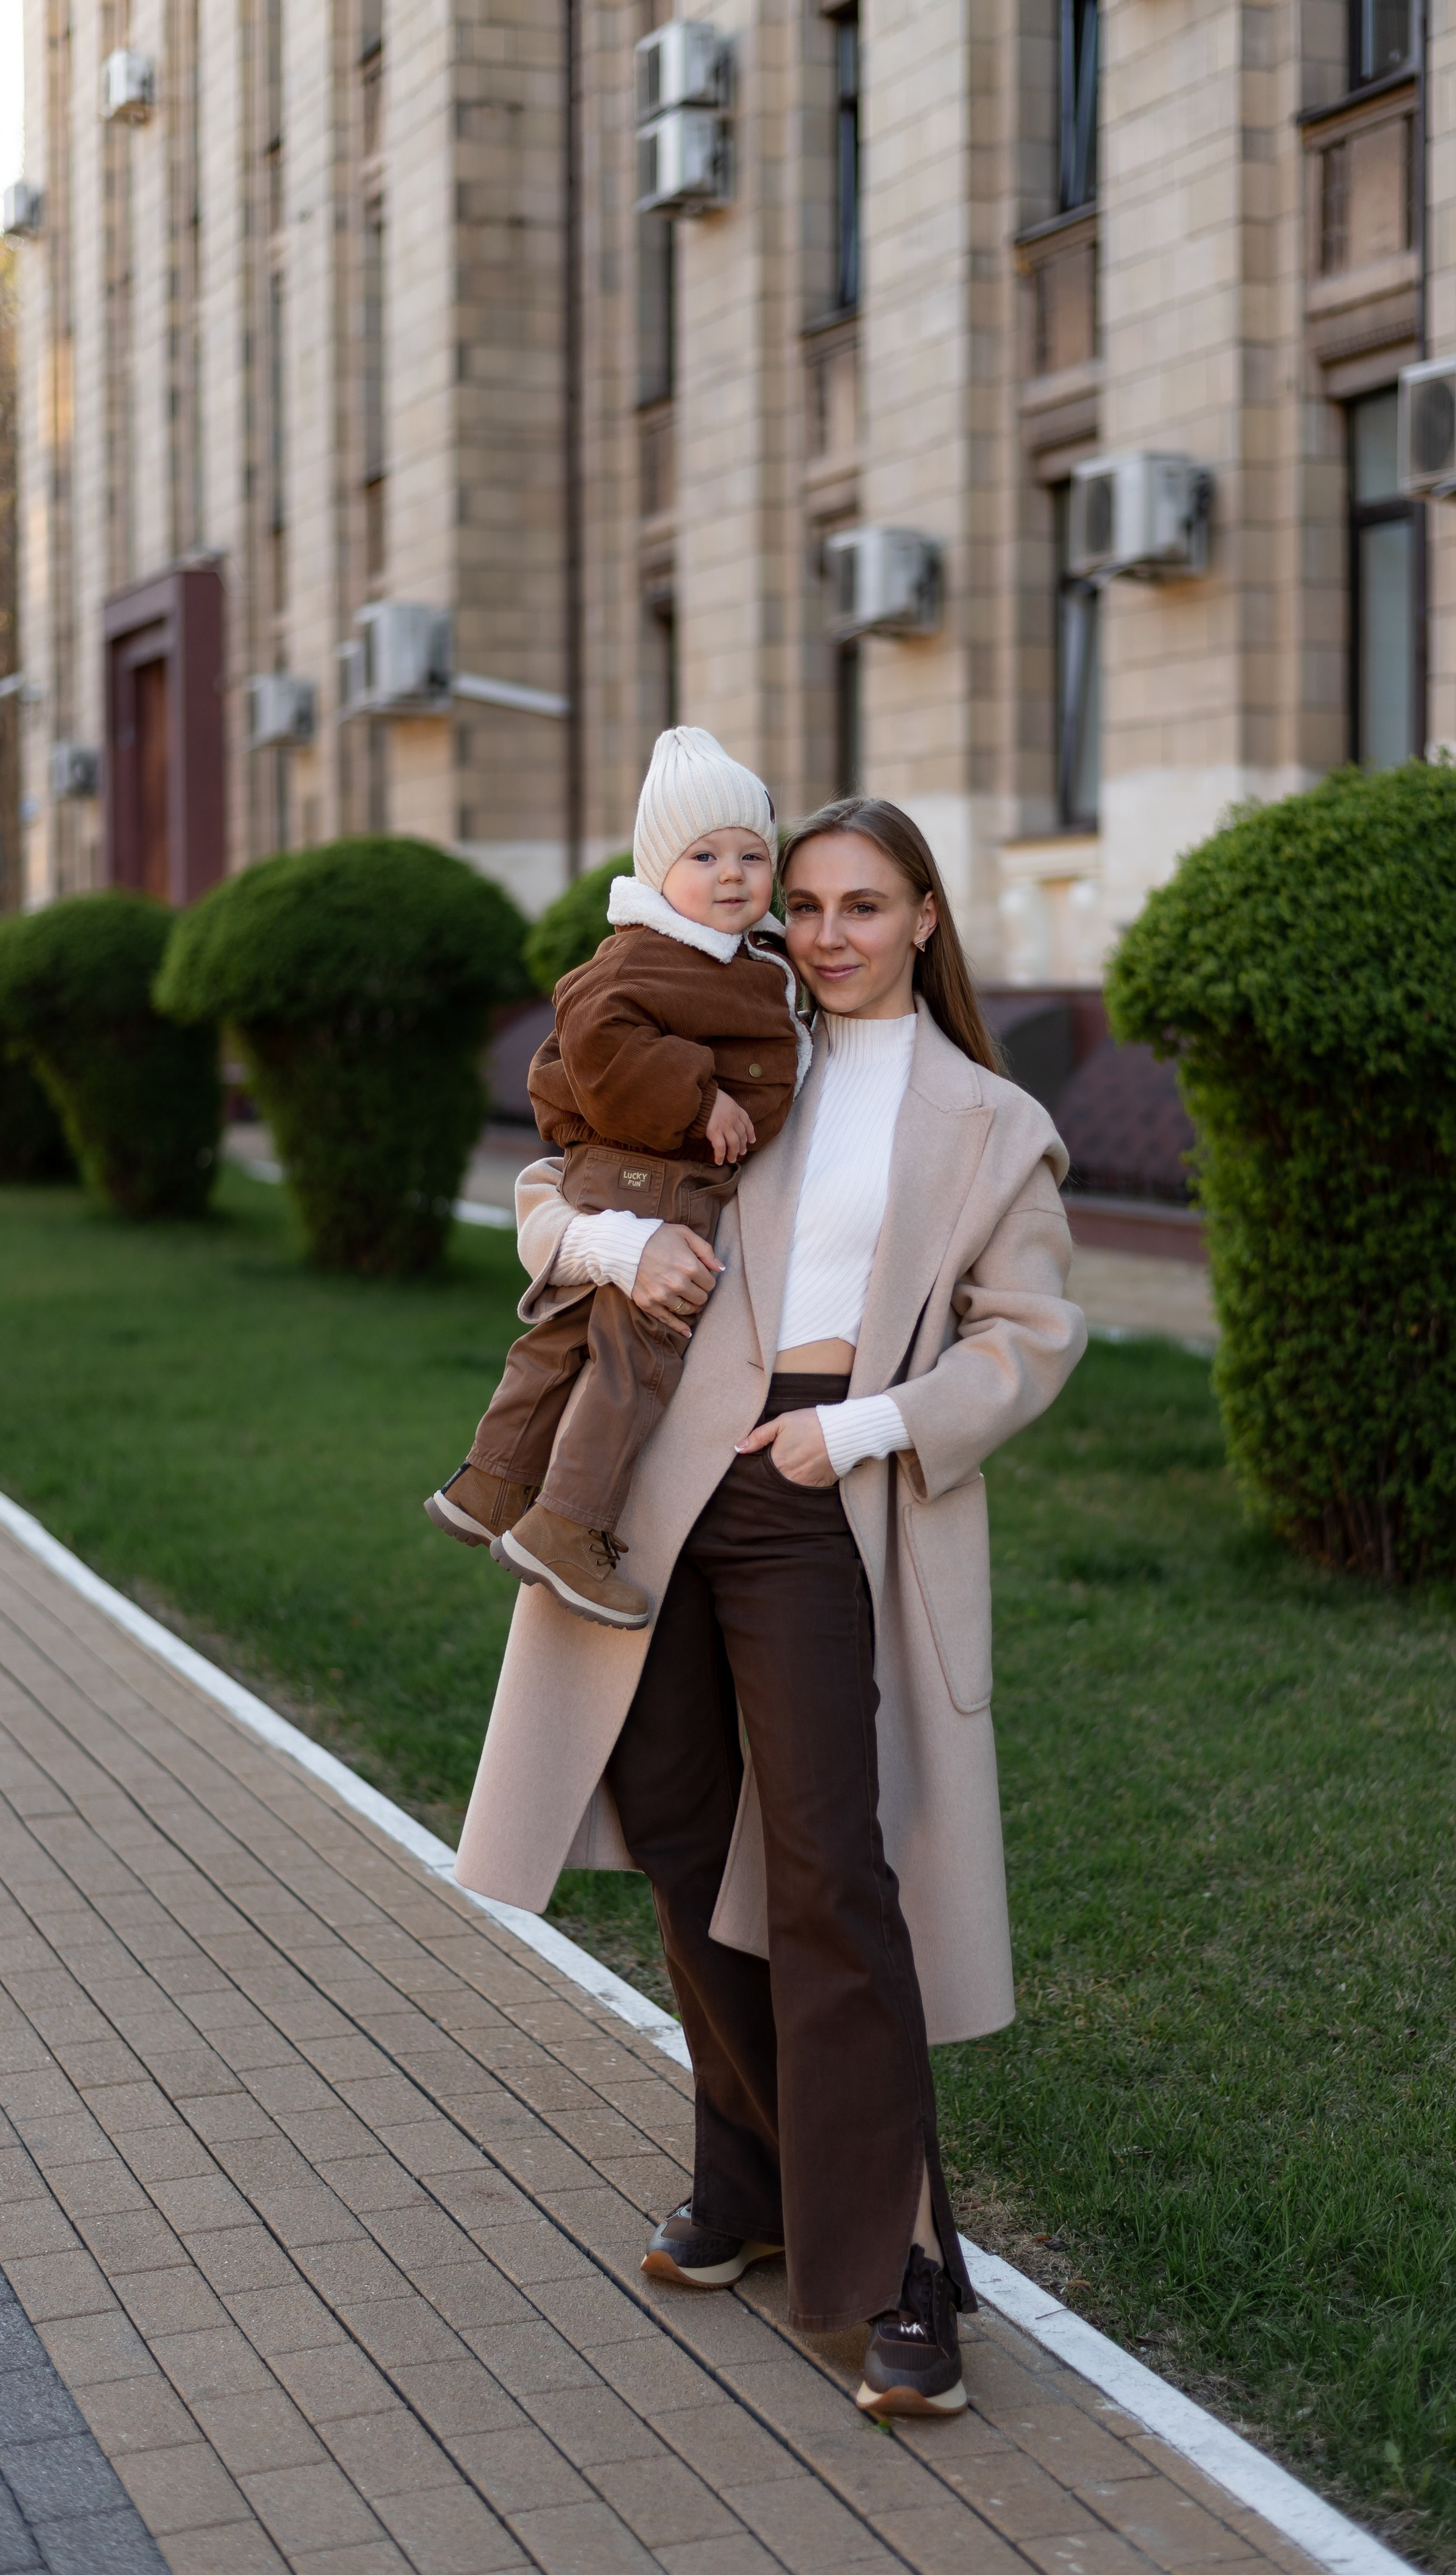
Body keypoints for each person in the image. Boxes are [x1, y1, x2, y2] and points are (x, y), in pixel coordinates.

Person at [455, 795, 1086, 2419]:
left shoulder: (987, 1119)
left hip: (823, 1498)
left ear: (926, 919)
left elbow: (1029, 1336)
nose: (825, 936)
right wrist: (603, 1243)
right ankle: (745, 2182)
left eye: (864, 906)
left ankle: (904, 2268)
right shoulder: (738, 1043)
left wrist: (861, 1427)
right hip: (655, 1488)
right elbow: (548, 1182)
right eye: (802, 905)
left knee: (825, 1872)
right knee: (672, 1828)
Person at [424, 728, 807, 1629]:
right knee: (639, 1354)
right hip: (657, 1178)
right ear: (656, 868)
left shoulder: (730, 953)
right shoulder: (652, 951)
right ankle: (567, 1523)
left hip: (617, 1171)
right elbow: (595, 1035)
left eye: (754, 855)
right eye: (703, 854)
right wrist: (700, 1095)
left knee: (567, 1340)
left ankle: (491, 1484)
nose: (731, 875)